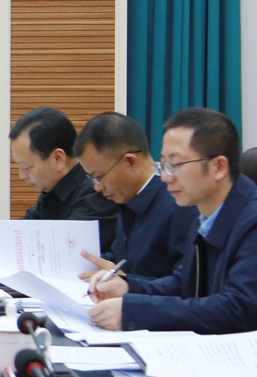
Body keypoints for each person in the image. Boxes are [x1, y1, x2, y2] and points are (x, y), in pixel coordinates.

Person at [86, 107, 257, 334]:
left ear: (218, 167)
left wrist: (133, 311)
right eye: (163, 165)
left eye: (175, 165)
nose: (165, 177)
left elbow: (236, 309)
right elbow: (185, 283)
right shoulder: (205, 215)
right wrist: (128, 286)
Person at [71, 111, 197, 281]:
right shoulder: (130, 199)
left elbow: (187, 286)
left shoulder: (179, 204)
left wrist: (126, 282)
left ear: (130, 161)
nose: (97, 188)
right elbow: (123, 261)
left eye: (99, 177)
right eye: (92, 179)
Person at [0, 107, 118, 250]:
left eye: (27, 167)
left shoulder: (96, 193)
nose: (22, 175)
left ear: (58, 158)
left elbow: (64, 248)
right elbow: (33, 223)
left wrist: (10, 237)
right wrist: (2, 231)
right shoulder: (55, 188)